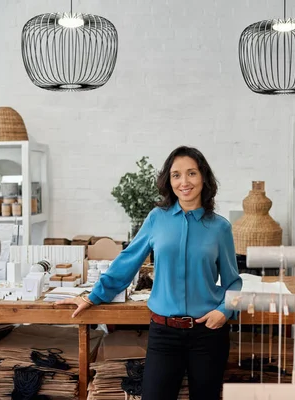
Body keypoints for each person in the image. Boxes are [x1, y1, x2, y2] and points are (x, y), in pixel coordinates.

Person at [57, 146, 243, 400]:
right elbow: (128, 260)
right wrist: (92, 296)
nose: (184, 182)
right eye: (176, 175)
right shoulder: (157, 218)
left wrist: (224, 311)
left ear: (204, 178)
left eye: (191, 173)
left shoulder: (220, 227)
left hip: (208, 334)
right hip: (164, 333)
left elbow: (234, 282)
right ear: (169, 180)